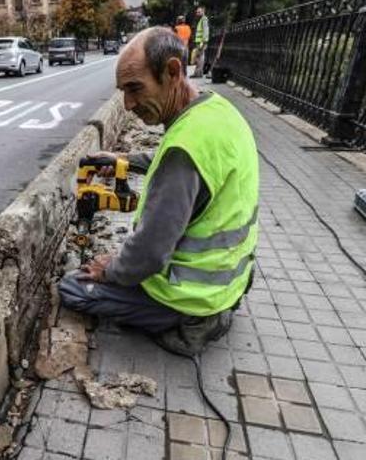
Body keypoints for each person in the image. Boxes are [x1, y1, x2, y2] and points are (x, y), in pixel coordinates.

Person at [57, 27, 259, 357]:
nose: (128, 104)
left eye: (135, 88)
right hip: (232, 277)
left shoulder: (183, 151)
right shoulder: (215, 111)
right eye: (123, 91)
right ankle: (219, 305)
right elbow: (180, 164)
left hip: (190, 293)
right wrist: (125, 160)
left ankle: (194, 323)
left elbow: (149, 255)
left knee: (73, 288)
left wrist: (109, 269)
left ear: (173, 71)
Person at [192, 6, 209, 77]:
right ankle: (197, 73)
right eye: (197, 12)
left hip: (201, 42)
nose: (197, 13)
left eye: (199, 12)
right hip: (200, 42)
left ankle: (198, 74)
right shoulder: (201, 20)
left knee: (200, 57)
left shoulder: (204, 19)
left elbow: (205, 31)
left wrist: (202, 42)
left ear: (203, 12)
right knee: (199, 57)